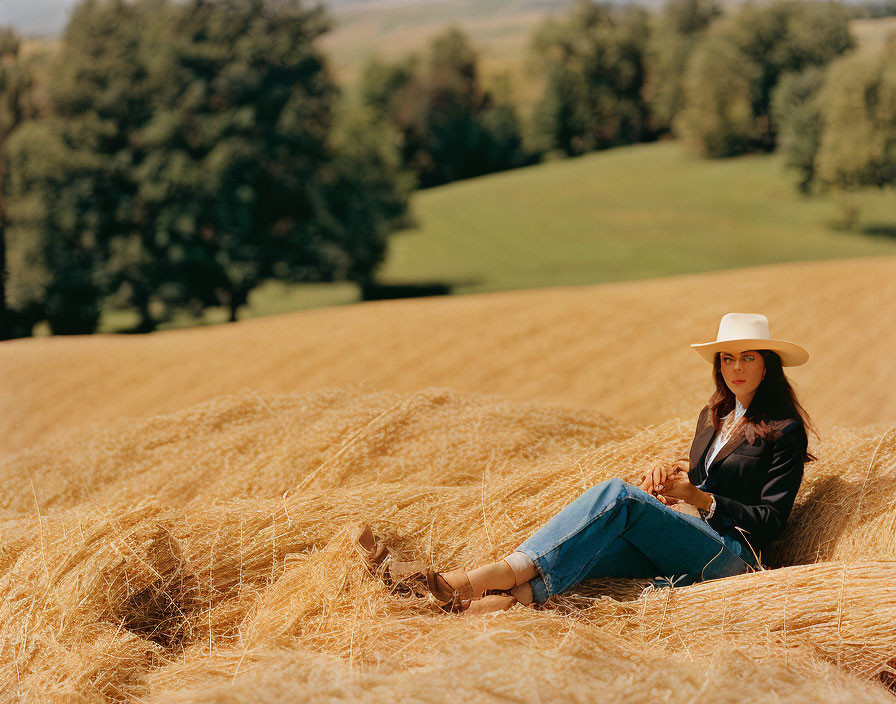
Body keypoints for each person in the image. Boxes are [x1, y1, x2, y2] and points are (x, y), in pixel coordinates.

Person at [357, 313, 816, 615]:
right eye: (728, 358)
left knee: (618, 497)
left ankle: (461, 581)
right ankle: (465, 608)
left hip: (732, 558)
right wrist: (670, 475)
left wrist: (699, 498)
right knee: (593, 548)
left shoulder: (783, 429)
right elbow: (704, 478)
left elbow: (772, 522)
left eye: (748, 358)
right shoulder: (713, 416)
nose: (736, 368)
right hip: (691, 539)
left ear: (767, 365)